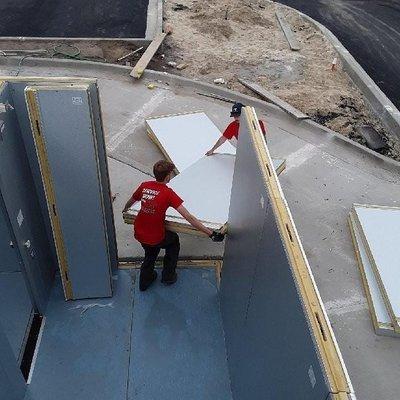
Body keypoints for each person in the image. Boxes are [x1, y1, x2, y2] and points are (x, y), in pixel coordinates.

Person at [123, 160, 225, 291]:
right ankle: (168, 276)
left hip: (139, 231)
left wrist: (125, 209)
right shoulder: (168, 193)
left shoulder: (144, 186)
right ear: (167, 176)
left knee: (150, 253)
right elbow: (188, 217)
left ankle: (145, 281)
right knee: (173, 241)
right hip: (155, 236)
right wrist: (210, 233)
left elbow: (132, 200)